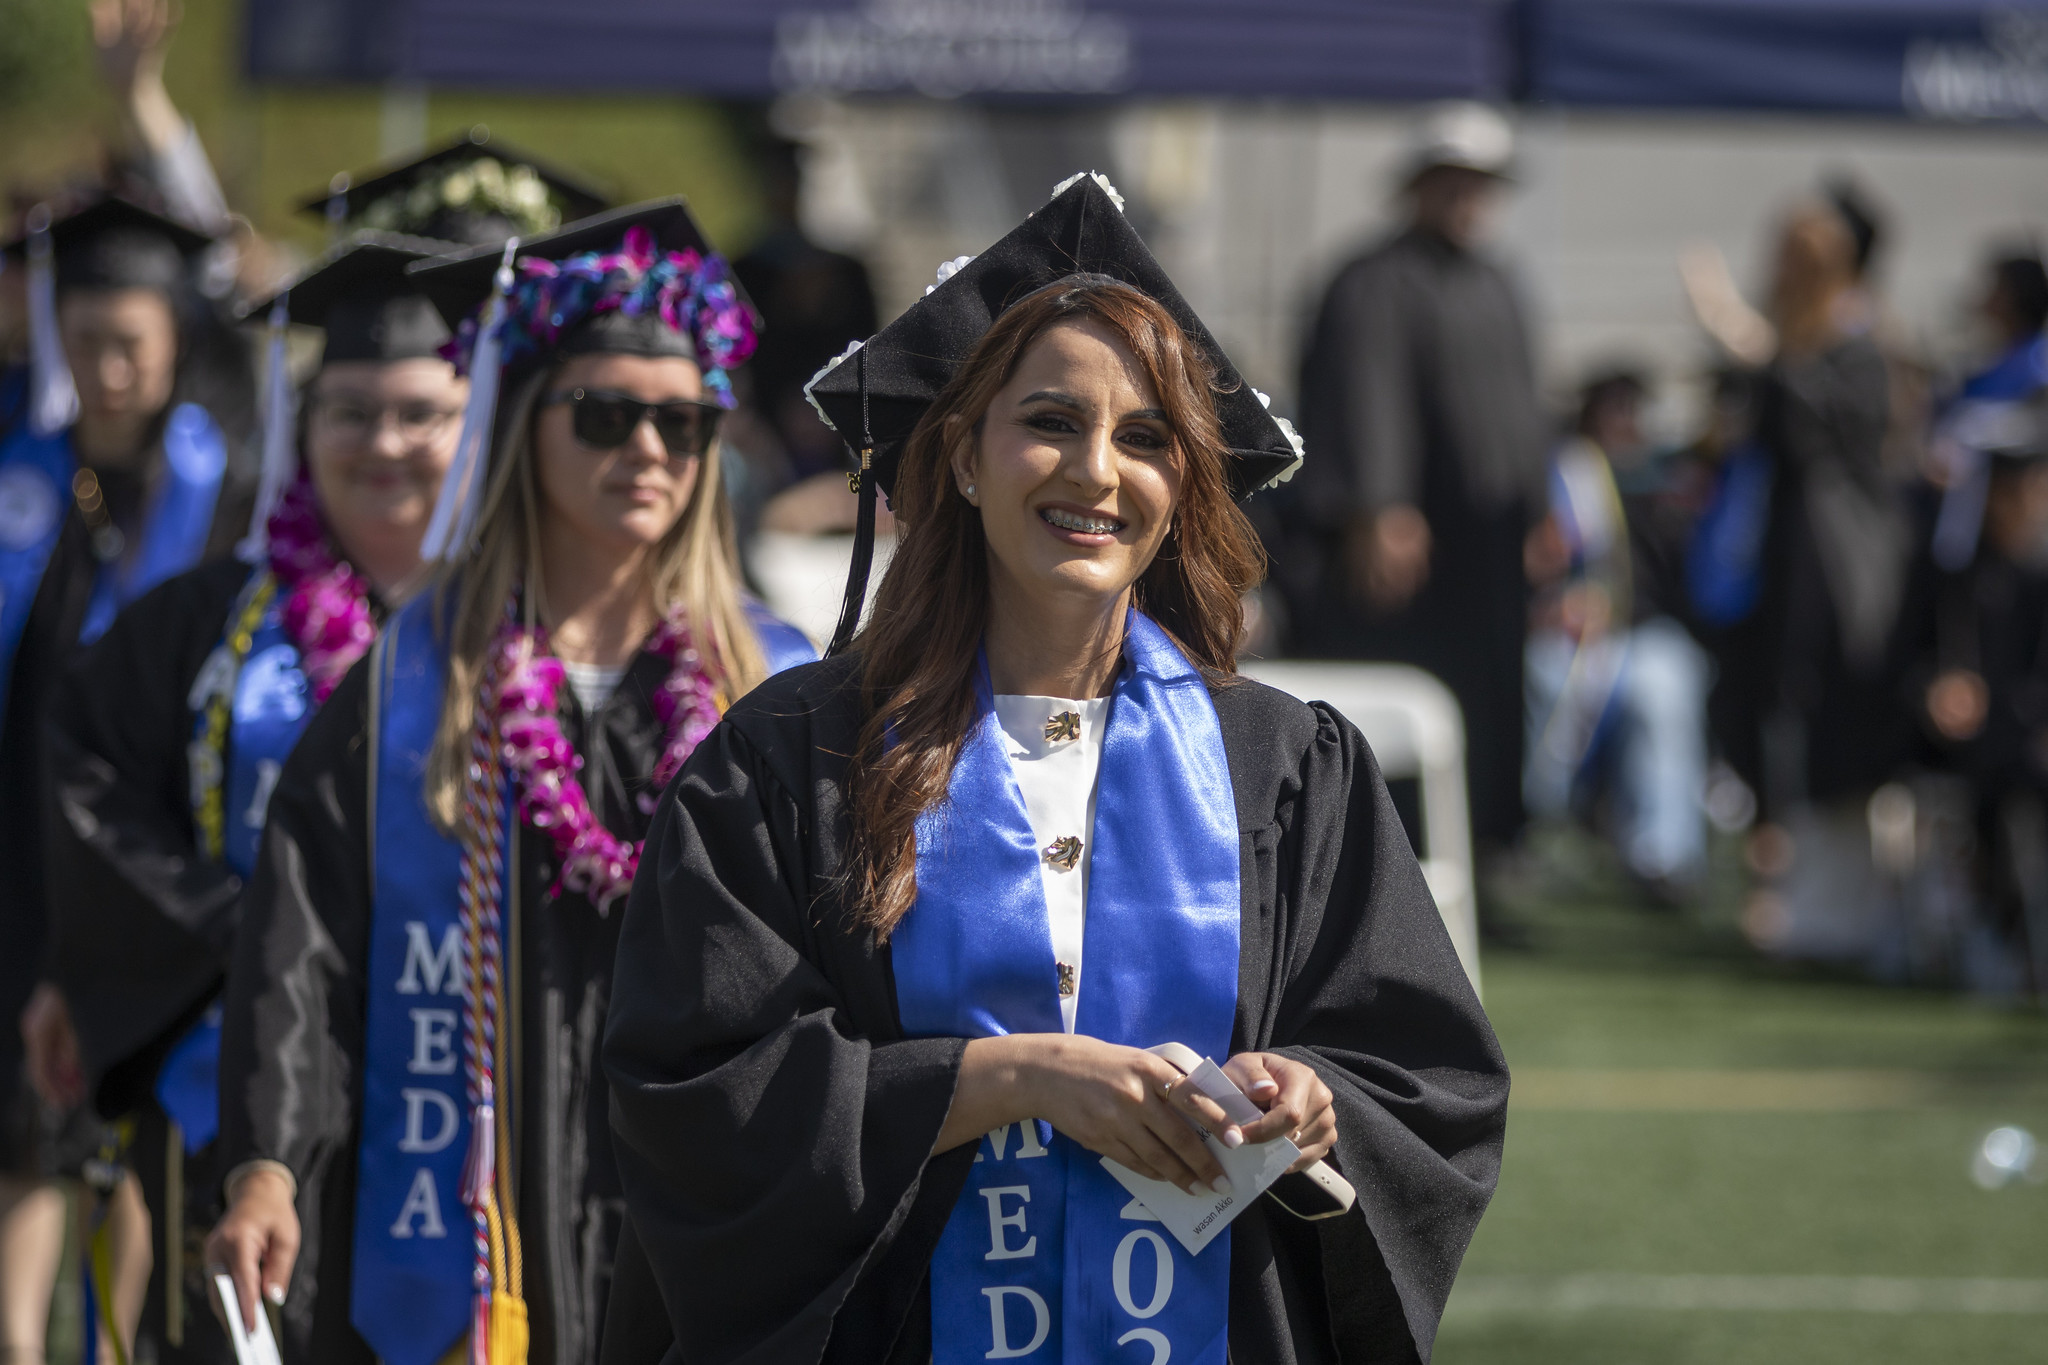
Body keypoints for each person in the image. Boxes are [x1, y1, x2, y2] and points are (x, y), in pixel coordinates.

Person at [601, 173, 1507, 1364]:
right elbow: (702, 1097)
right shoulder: (792, 762)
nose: (1094, 472)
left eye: (1143, 438)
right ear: (965, 457)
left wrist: (1310, 1096)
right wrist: (1009, 1078)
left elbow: (1424, 1072)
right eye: (1047, 422)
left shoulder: (1283, 769)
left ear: (1181, 486)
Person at [206, 199, 814, 1365]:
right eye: (606, 414)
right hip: (461, 1236)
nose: (648, 451)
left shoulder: (772, 686)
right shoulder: (415, 682)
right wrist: (268, 1162)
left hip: (690, 1229)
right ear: (524, 423)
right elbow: (304, 949)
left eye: (683, 425)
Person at [36, 229, 470, 1363]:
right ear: (302, 427)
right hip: (235, 1075)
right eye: (349, 411)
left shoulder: (529, 633)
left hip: (467, 1082)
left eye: (421, 414)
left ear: (476, 430)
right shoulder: (214, 617)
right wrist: (240, 933)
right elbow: (81, 767)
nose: (384, 443)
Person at [1, 196, 252, 1362]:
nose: (106, 368)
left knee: (138, 1118)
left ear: (172, 347)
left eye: (131, 343)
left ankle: (117, 1348)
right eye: (84, 335)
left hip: (149, 856)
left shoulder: (220, 486)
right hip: (17, 849)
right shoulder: (26, 470)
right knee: (22, 1128)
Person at [1285, 101, 1548, 872]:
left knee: (1491, 703)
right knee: (1406, 696)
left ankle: (1488, 859)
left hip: (1487, 552)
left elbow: (1523, 409)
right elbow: (1363, 398)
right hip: (1410, 558)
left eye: (1483, 182)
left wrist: (1537, 511)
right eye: (1453, 180)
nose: (1470, 196)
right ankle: (1383, 870)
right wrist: (1379, 507)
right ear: (1419, 185)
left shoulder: (1498, 283)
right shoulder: (1373, 280)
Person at [1525, 370, 1713, 901]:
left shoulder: (1666, 483)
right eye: (1614, 411)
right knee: (1543, 680)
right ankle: (1534, 831)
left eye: (1632, 412)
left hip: (1638, 633)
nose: (1624, 424)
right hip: (1557, 637)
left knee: (1666, 684)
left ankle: (1663, 859)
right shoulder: (1555, 474)